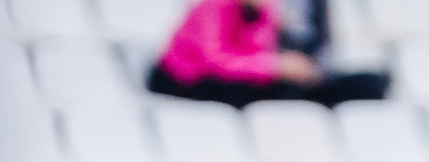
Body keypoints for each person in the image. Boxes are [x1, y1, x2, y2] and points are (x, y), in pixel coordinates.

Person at [146, 0, 391, 106]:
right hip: (186, 81)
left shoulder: (264, 12)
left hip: (235, 80)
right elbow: (214, 60)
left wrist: (287, 67)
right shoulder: (216, 5)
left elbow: (256, 56)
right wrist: (276, 66)